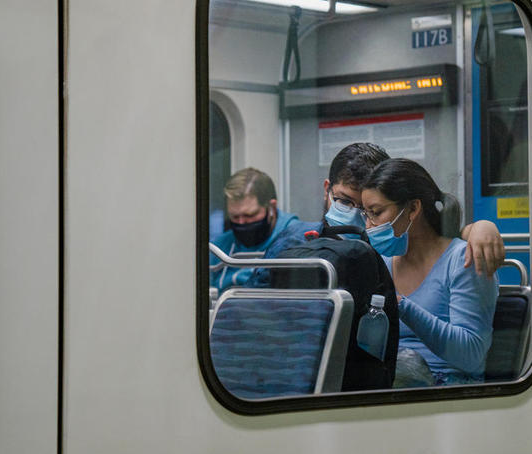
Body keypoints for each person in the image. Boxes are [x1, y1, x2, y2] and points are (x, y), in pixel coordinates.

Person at [248, 142, 506, 287]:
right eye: (344, 202)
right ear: (327, 190)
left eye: (369, 210)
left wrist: (478, 228)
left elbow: (435, 243)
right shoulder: (295, 242)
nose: (356, 217)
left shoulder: (386, 244)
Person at [361, 158, 498, 385]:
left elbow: (471, 355)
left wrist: (401, 306)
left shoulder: (463, 260)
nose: (369, 226)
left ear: (413, 208)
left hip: (446, 389)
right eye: (366, 215)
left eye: (376, 212)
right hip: (394, 383)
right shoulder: (383, 263)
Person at [210, 167, 312, 290]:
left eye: (250, 215)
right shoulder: (219, 247)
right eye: (235, 217)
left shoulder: (298, 239)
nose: (241, 223)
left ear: (272, 208)